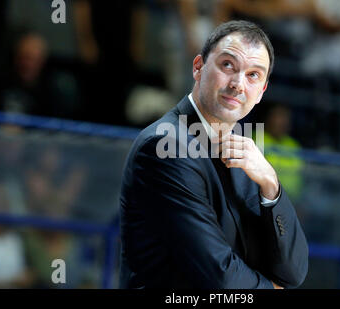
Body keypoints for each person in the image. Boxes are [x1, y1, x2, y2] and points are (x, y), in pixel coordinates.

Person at [119, 20, 308, 289]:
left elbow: (294, 271)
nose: (238, 84)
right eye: (228, 65)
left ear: (262, 91)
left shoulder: (247, 154)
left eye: (253, 75)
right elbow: (218, 276)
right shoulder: (165, 146)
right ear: (198, 67)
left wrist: (271, 186)